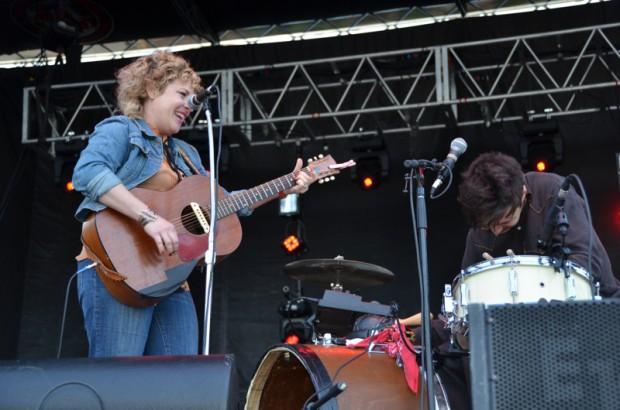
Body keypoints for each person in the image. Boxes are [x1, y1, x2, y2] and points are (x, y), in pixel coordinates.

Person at [71, 51, 315, 357]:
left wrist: (284, 186)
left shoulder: (185, 153)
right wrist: (148, 217)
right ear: (150, 89)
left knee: (180, 380)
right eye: (182, 94)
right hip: (116, 270)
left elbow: (224, 203)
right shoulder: (121, 130)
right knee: (116, 380)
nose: (190, 105)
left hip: (172, 281)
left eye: (193, 97)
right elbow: (87, 172)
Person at [457, 151, 620, 298]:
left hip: (598, 313)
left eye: (504, 220)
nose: (497, 230)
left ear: (522, 194)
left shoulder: (554, 192)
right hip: (520, 326)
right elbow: (467, 289)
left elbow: (589, 263)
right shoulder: (480, 223)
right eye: (489, 225)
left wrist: (519, 278)